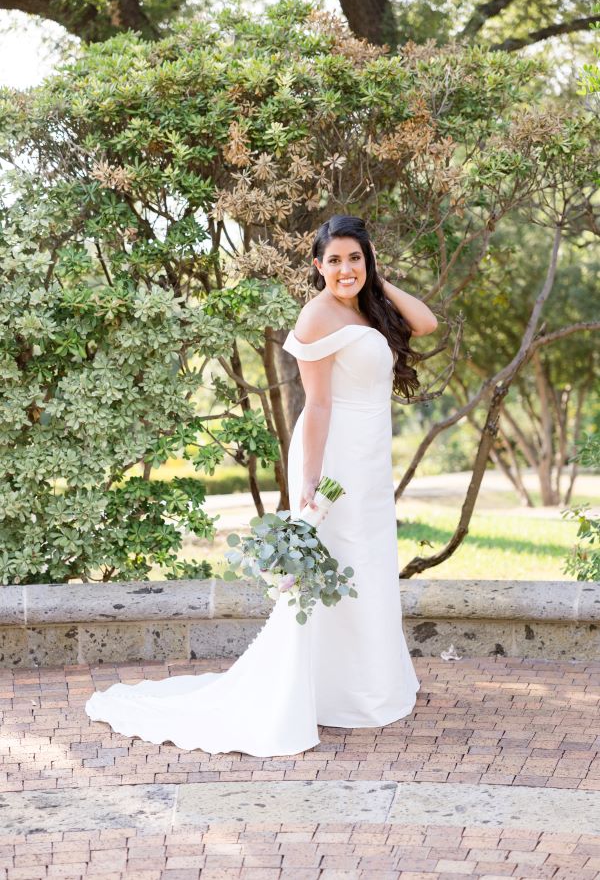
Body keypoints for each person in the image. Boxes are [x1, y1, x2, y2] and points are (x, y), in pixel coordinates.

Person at [84, 214, 438, 757]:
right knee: (338, 563)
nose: (346, 269)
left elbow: (427, 322)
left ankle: (368, 687)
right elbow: (317, 405)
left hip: (368, 458)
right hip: (336, 456)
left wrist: (376, 281)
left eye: (355, 258)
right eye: (335, 260)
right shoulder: (318, 315)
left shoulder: (366, 306)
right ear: (316, 266)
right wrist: (310, 483)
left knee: (368, 564)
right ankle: (325, 693)